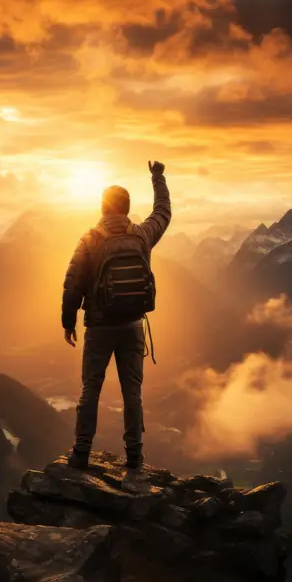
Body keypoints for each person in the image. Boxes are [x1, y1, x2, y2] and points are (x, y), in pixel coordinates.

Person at [61, 160, 171, 471]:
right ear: (127, 208)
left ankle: (81, 452)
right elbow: (163, 212)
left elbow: (73, 282)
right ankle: (134, 457)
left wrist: (68, 322)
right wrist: (158, 177)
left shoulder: (90, 239)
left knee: (91, 389)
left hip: (99, 327)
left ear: (103, 207)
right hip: (133, 325)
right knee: (132, 393)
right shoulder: (142, 235)